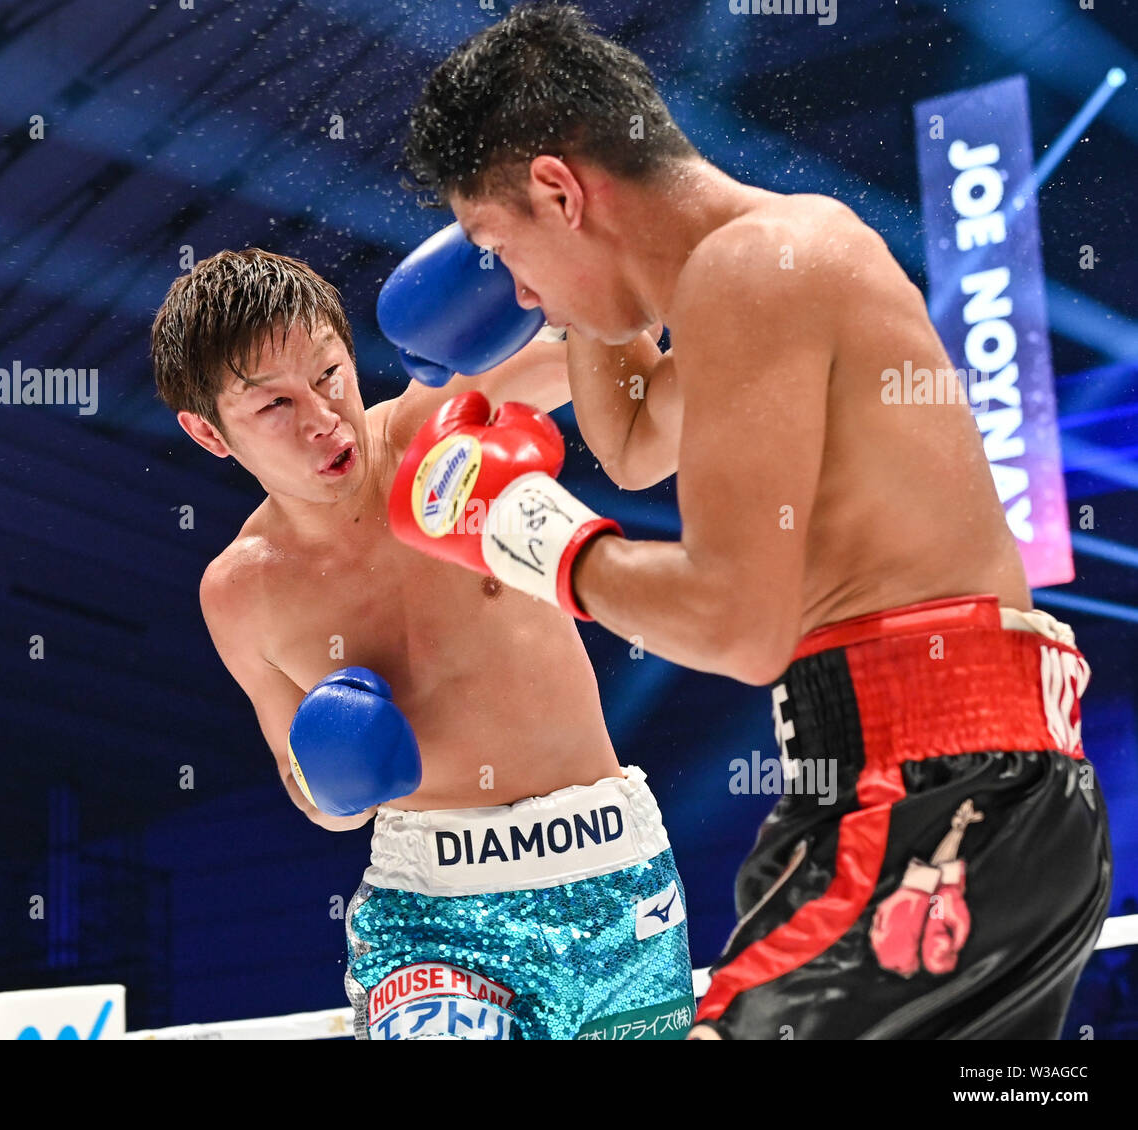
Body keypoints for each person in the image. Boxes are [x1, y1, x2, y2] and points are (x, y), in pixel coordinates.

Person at [385, 2, 1112, 1039]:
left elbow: (736, 623)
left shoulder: (759, 263)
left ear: (559, 188)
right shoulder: (760, 270)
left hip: (925, 794)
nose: (521, 296)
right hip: (950, 786)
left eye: (504, 251)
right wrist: (593, 302)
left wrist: (516, 522)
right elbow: (634, 436)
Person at [149, 247, 695, 1040]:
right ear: (209, 433)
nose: (322, 419)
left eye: (329, 374)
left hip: (613, 872)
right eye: (273, 408)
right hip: (432, 913)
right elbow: (310, 793)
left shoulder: (443, 422)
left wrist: (587, 282)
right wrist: (336, 769)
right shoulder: (241, 592)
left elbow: (634, 372)